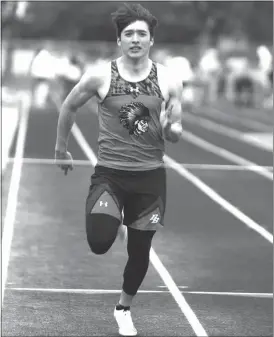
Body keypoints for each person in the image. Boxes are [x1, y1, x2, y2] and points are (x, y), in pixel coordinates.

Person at [55, 3, 183, 336]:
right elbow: (69, 105)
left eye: (142, 33)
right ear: (119, 40)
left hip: (151, 178)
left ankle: (123, 308)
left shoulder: (169, 79)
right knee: (100, 242)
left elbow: (175, 129)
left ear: (151, 40)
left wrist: (172, 128)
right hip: (110, 174)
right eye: (129, 34)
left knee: (141, 251)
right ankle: (116, 222)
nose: (136, 39)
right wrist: (61, 148)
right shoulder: (100, 75)